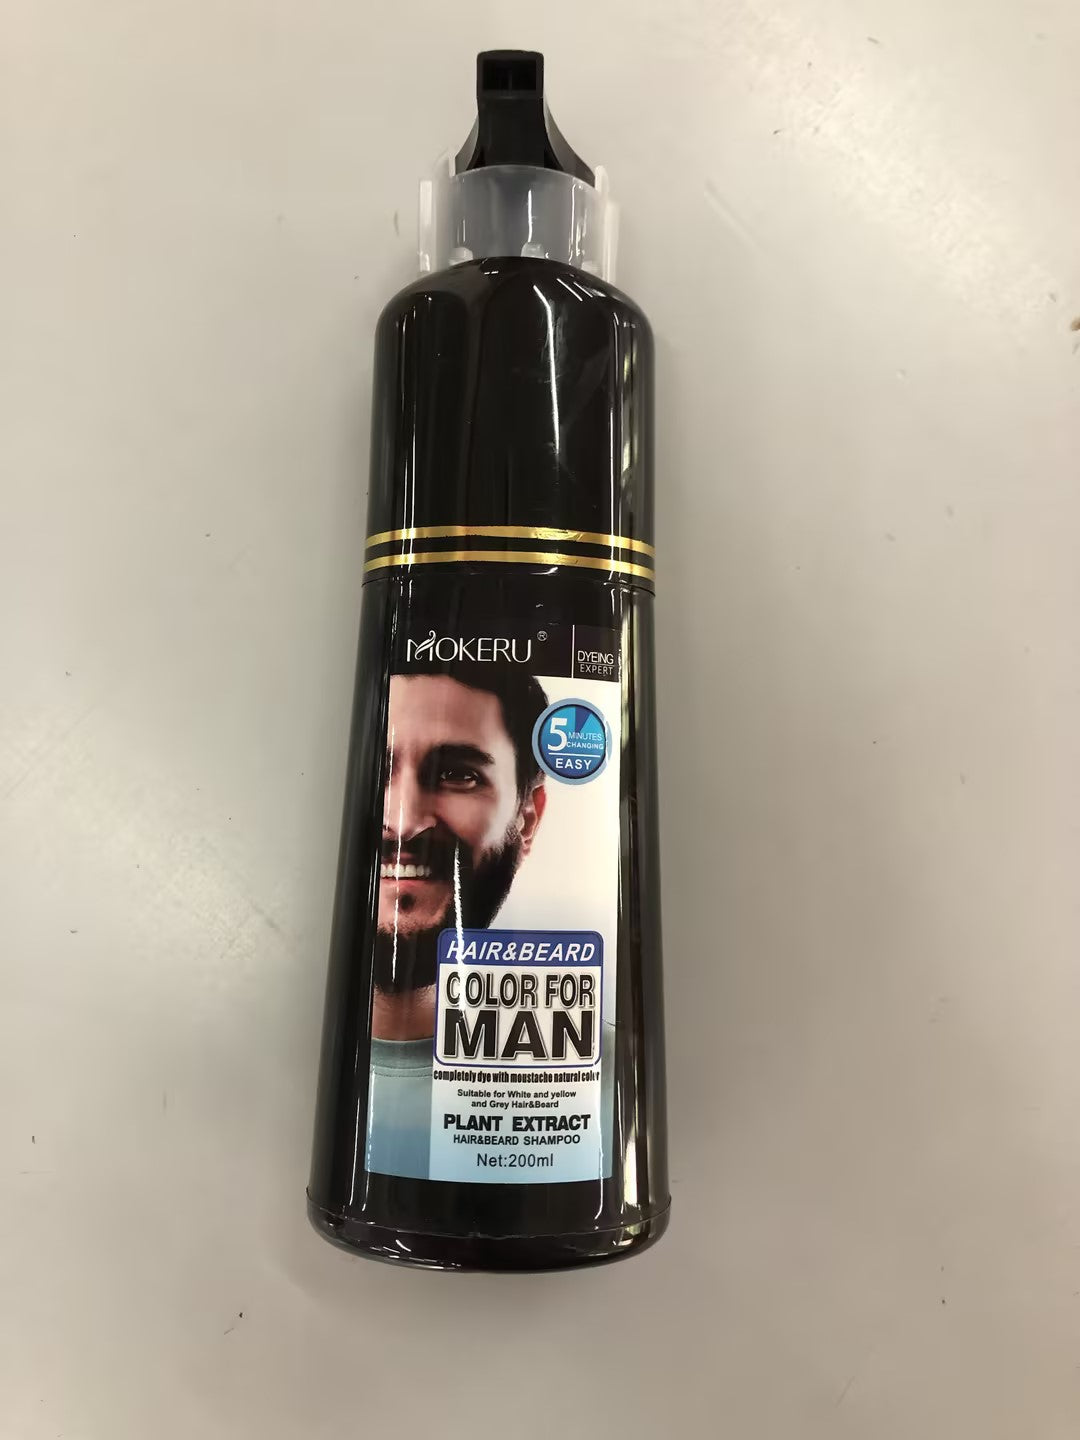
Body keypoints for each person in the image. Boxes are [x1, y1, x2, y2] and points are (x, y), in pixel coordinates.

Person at [366, 664, 549, 1177]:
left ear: (527, 820)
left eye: (458, 775)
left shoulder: (604, 1078)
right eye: (375, 769)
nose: (403, 821)